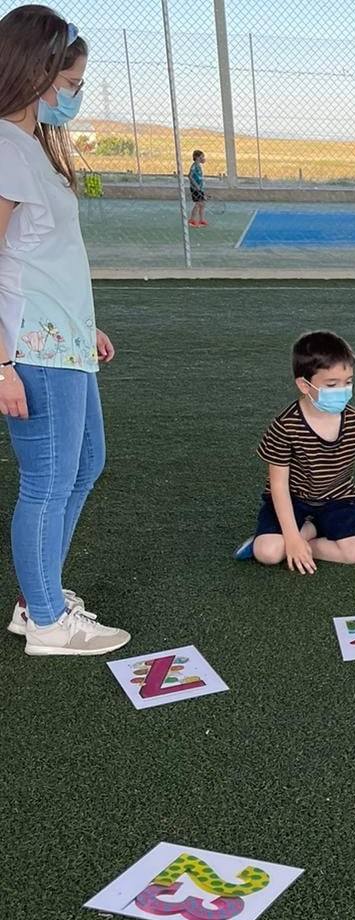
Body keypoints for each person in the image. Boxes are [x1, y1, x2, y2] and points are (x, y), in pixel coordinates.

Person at [0, 5, 130, 656]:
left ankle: (39, 597)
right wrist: (0, 364)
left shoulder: (32, 148)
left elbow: (42, 256)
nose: (76, 95)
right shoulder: (4, 147)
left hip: (65, 342)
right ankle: (47, 622)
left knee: (85, 464)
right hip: (32, 350)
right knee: (48, 479)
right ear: (38, 72)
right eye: (73, 83)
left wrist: (87, 325)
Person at [237, 330, 355, 573]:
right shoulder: (285, 425)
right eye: (331, 385)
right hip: (293, 499)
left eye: (348, 382)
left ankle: (308, 535)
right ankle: (301, 534)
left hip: (338, 500)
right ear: (304, 385)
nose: (342, 390)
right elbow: (278, 485)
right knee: (267, 552)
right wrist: (291, 538)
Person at [188, 149, 206, 228]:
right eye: (202, 157)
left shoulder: (199, 166)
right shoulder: (194, 166)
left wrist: (201, 187)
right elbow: (190, 176)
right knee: (198, 204)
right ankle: (192, 220)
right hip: (195, 189)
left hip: (200, 188)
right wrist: (196, 186)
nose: (203, 158)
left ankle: (201, 220)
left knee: (202, 204)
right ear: (197, 157)